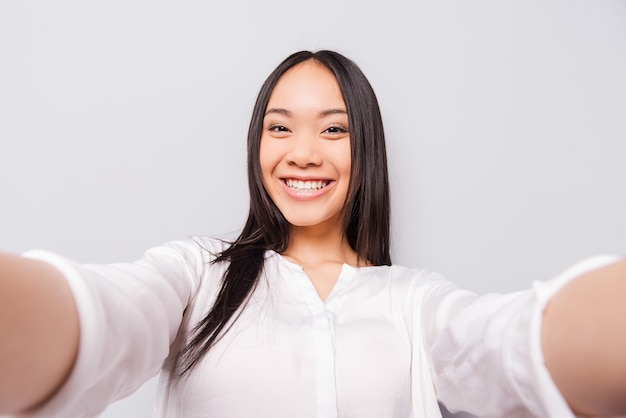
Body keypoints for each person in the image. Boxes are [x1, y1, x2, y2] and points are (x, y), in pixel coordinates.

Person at [0, 50, 625, 418]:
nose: (303, 153)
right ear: (256, 144)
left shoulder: (413, 303)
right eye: (280, 128)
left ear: (367, 150)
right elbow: (96, 317)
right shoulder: (196, 277)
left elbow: (513, 345)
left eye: (333, 130)